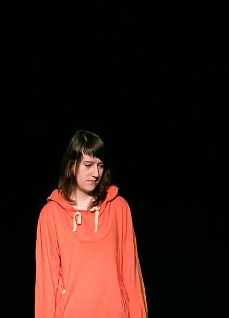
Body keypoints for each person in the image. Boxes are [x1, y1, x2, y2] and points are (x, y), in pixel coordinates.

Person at [35, 129, 148, 318]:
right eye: (88, 165)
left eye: (100, 166)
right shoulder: (51, 214)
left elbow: (131, 273)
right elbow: (46, 284)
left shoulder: (118, 208)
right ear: (72, 165)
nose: (96, 173)